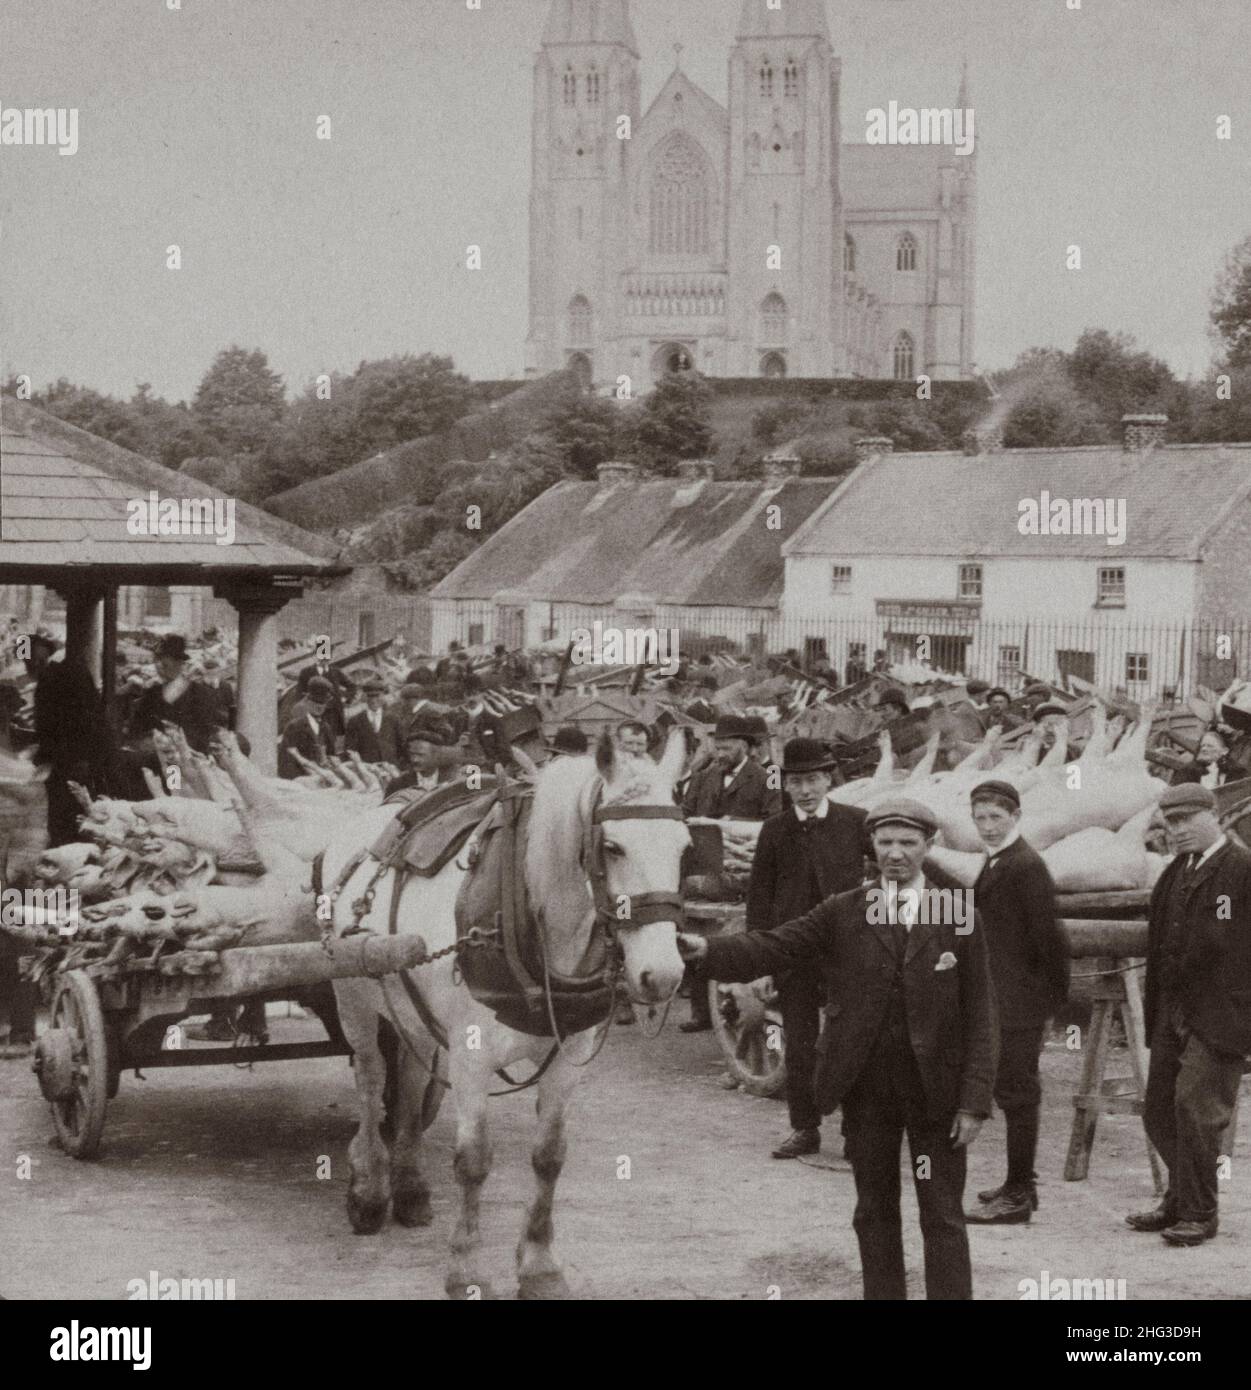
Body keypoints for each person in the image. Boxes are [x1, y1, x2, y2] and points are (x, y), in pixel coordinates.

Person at [680, 798, 994, 1300]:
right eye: (885, 842)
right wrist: (708, 952)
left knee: (942, 1215)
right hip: (866, 1089)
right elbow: (776, 945)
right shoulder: (844, 911)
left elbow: (981, 1014)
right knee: (873, 1212)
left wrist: (975, 1100)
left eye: (908, 843)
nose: (895, 854)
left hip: (936, 1093)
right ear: (871, 845)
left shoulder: (957, 915)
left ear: (929, 846)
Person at [1128, 783, 1251, 1246]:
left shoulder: (1241, 870)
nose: (1177, 831)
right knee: (1158, 1109)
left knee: (1196, 1110)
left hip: (1221, 1015)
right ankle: (1180, 1197)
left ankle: (1200, 1212)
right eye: (1170, 823)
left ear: (1214, 815)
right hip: (1174, 1012)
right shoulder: (1175, 873)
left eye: (1186, 821)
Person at [745, 738, 869, 1159]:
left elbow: (893, 866)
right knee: (799, 1043)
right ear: (786, 784)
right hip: (793, 952)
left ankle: (857, 1131)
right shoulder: (775, 830)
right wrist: (760, 963)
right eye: (797, 781)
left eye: (814, 779)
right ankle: (804, 1128)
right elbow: (759, 898)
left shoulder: (856, 823)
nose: (806, 790)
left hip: (849, 951)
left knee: (853, 1039)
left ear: (828, 779)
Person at [962, 780, 1068, 1225]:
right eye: (980, 817)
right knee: (1011, 1094)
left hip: (1019, 1005)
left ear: (1015, 817)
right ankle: (1015, 1183)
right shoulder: (999, 862)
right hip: (1005, 1001)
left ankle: (1021, 1194)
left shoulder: (1025, 866)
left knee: (1019, 1096)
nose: (986, 826)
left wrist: (1045, 1006)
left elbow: (1050, 942)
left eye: (995, 818)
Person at [26, 633, 117, 845]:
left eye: (32, 660)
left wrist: (43, 755)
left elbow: (71, 723)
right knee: (72, 813)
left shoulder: (58, 674)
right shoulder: (65, 669)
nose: (31, 665)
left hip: (72, 760)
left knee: (69, 814)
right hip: (75, 758)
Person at [127, 634, 220, 755]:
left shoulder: (201, 694)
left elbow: (202, 736)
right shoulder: (151, 693)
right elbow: (135, 730)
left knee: (173, 772)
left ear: (179, 661)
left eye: (164, 660)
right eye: (156, 659)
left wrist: (170, 746)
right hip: (152, 762)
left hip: (183, 764)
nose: (158, 665)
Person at [681, 715, 781, 820]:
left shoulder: (769, 779)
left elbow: (773, 824)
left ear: (744, 747)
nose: (720, 755)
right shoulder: (702, 777)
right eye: (718, 749)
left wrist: (732, 822)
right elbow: (684, 814)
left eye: (726, 749)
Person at [384, 718, 461, 798]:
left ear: (436, 755)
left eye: (421, 755)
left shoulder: (453, 780)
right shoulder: (398, 784)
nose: (414, 759)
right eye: (412, 754)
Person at [278, 676, 336, 779]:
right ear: (308, 702)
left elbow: (331, 754)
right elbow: (288, 759)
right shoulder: (294, 725)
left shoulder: (326, 727)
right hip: (300, 778)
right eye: (315, 702)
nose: (319, 707)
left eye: (323, 703)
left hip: (322, 776)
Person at [295, 642, 350, 739]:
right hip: (313, 712)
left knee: (331, 739)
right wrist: (308, 704)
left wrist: (346, 700)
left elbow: (352, 686)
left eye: (327, 657)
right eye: (322, 656)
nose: (324, 660)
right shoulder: (306, 672)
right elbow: (299, 693)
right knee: (313, 737)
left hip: (332, 713)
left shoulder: (335, 672)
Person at [344, 677, 404, 765]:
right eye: (370, 696)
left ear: (383, 695)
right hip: (368, 770)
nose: (373, 700)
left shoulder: (394, 719)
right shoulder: (355, 721)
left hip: (392, 767)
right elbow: (350, 750)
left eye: (377, 695)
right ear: (364, 696)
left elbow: (402, 745)